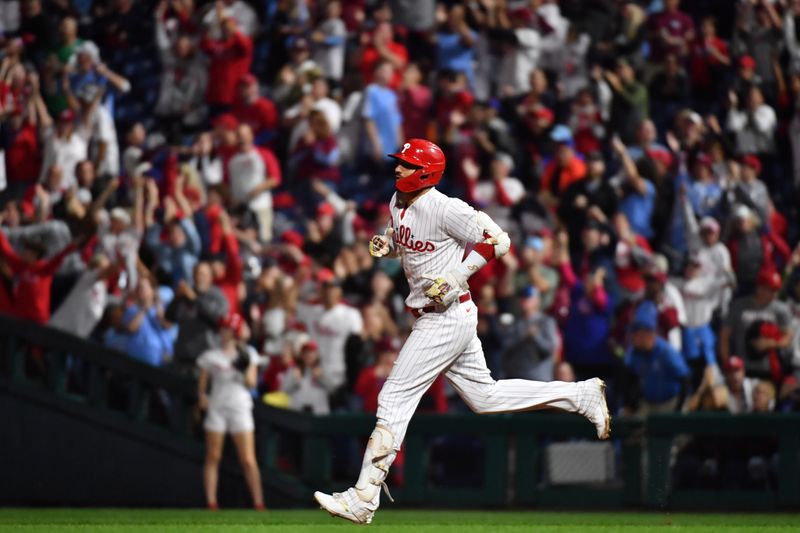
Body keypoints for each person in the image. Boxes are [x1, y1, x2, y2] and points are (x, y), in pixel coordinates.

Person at [314, 139, 610, 524]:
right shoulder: (396, 201)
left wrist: (457, 274)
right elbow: (405, 243)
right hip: (443, 314)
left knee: (393, 397)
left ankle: (364, 496)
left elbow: (497, 240)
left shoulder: (446, 207)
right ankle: (580, 395)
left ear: (425, 172)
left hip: (447, 314)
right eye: (399, 163)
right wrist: (386, 246)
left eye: (406, 164)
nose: (398, 169)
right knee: (484, 397)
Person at [197, 312, 265, 511]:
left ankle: (259, 502)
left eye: (228, 329)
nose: (224, 333)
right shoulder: (211, 356)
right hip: (217, 406)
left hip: (239, 407)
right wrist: (201, 396)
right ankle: (211, 501)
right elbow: (202, 384)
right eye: (223, 328)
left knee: (248, 459)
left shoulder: (248, 353)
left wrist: (243, 368)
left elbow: (251, 383)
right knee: (213, 456)